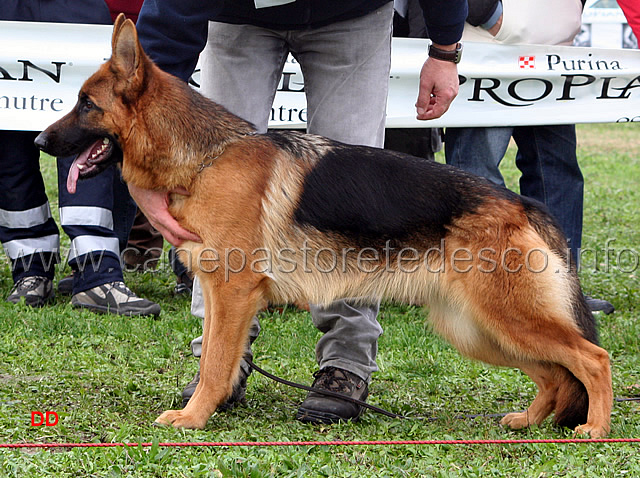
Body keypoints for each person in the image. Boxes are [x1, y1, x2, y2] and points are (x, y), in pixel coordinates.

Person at [133, 0, 466, 423]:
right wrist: (144, 165)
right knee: (212, 186)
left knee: (353, 194)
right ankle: (217, 369)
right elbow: (166, 29)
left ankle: (345, 364)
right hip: (238, 16)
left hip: (351, 14)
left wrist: (444, 49)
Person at [444, 0, 615, 315]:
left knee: (556, 170)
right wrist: (492, 16)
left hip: (551, 48)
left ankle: (560, 287)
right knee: (476, 176)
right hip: (489, 45)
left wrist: (565, 15)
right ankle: (488, 286)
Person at [1, 0, 160, 317]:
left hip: (75, 11)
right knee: (9, 149)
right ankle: (31, 270)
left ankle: (97, 274)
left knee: (90, 124)